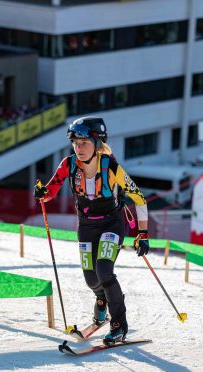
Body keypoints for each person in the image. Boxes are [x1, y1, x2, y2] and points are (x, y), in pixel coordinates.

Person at [33, 116, 149, 345]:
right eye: (75, 143)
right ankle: (101, 302)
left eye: (84, 142)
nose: (79, 148)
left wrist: (142, 233)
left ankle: (119, 325)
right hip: (86, 226)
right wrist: (41, 194)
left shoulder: (111, 167)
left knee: (104, 270)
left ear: (97, 143)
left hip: (111, 224)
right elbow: (50, 191)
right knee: (91, 278)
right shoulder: (68, 164)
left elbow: (139, 198)